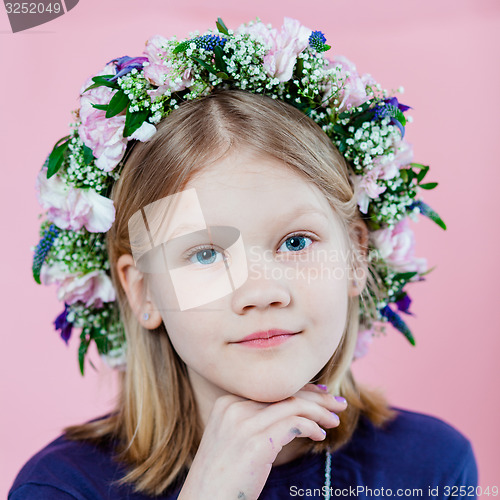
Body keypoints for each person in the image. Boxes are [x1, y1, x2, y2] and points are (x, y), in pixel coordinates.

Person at [10, 17, 477, 500]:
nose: (260, 291)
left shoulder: (431, 467)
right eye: (206, 253)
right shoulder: (62, 487)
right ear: (144, 289)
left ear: (356, 257)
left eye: (296, 241)